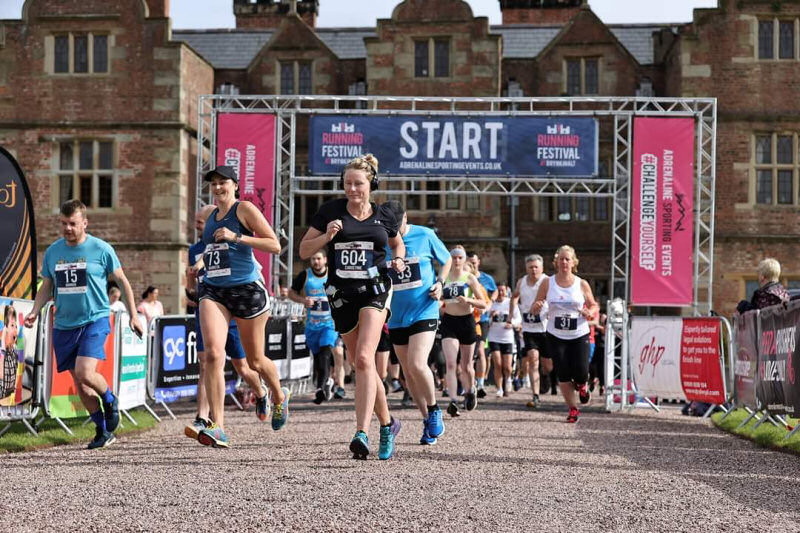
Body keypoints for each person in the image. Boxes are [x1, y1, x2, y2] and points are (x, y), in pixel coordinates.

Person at [299, 154, 405, 460]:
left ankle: (362, 432)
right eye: (347, 183)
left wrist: (397, 258)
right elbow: (305, 250)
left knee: (362, 356)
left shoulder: (384, 214)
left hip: (375, 290)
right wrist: (326, 235)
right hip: (341, 295)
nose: (352, 189)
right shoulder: (330, 211)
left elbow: (397, 243)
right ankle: (388, 423)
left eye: (358, 183)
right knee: (363, 366)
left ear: (371, 184)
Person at [23, 199, 144, 449]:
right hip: (64, 324)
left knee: (85, 372)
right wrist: (35, 310)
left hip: (95, 319)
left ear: (85, 223)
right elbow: (47, 286)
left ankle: (110, 399)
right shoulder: (54, 252)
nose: (68, 228)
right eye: (64, 223)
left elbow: (123, 281)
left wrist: (133, 315)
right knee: (80, 384)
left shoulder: (101, 249)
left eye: (73, 224)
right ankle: (102, 430)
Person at [196, 165, 290, 448]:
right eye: (213, 183)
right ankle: (218, 426)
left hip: (247, 290)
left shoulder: (244, 209)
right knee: (213, 354)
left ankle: (278, 395)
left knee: (255, 362)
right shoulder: (210, 217)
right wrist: (200, 264)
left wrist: (237, 237)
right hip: (214, 290)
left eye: (223, 182)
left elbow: (274, 245)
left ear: (235, 185)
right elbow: (213, 251)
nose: (217, 188)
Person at [184, 204, 271, 440]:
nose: (200, 226)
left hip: (237, 309)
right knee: (209, 360)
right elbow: (191, 292)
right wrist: (191, 282)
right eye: (198, 223)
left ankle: (261, 393)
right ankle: (205, 418)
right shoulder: (194, 250)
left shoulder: (234, 243)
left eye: (202, 222)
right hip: (210, 308)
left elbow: (255, 274)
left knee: (244, 366)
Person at [383, 200, 451, 445]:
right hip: (397, 315)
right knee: (408, 373)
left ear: (405, 218)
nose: (395, 232)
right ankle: (426, 419)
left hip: (425, 309)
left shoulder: (425, 235)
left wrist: (440, 283)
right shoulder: (384, 239)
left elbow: (447, 261)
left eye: (397, 226)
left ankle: (434, 411)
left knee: (416, 362)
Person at [532, 245, 598, 424]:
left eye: (567, 259)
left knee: (581, 371)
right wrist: (537, 307)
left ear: (573, 262)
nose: (564, 262)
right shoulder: (548, 282)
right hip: (556, 334)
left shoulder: (581, 283)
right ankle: (572, 408)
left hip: (579, 333)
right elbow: (535, 306)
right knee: (562, 373)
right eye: (561, 259)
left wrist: (590, 312)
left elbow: (594, 305)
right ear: (556, 262)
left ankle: (583, 385)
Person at [441, 246, 487, 417]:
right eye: (454, 257)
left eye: (460, 257)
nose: (457, 260)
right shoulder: (443, 278)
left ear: (464, 259)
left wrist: (468, 299)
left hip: (467, 322)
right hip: (449, 322)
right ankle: (453, 400)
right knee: (451, 363)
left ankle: (471, 389)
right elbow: (437, 297)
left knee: (466, 366)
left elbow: (484, 303)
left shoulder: (469, 278)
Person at [288, 250, 340, 404]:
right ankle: (327, 382)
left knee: (325, 352)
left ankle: (320, 388)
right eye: (313, 259)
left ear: (325, 259)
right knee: (318, 358)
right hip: (312, 325)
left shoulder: (333, 275)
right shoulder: (305, 275)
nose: (316, 262)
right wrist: (303, 300)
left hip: (329, 324)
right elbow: (291, 293)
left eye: (318, 258)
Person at [509, 254, 551, 409]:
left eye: (536, 267)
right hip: (529, 328)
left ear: (542, 268)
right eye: (530, 267)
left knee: (548, 365)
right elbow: (514, 297)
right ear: (526, 268)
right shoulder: (522, 282)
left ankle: (545, 375)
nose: (533, 270)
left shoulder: (547, 281)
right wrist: (511, 315)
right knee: (533, 359)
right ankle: (536, 396)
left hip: (546, 328)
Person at [467, 251, 497, 399]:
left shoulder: (486, 278)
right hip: (466, 319)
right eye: (470, 262)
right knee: (468, 353)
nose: (472, 264)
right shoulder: (463, 278)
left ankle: (480, 383)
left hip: (482, 320)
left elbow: (495, 291)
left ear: (478, 262)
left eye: (474, 262)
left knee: (480, 350)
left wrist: (489, 303)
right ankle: (468, 383)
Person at [487, 284, 522, 397]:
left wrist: (511, 323)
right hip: (494, 337)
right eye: (499, 290)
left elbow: (518, 318)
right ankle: (499, 388)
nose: (501, 293)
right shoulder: (492, 304)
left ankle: (508, 380)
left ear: (507, 291)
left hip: (507, 337)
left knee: (507, 366)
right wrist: (491, 317)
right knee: (497, 364)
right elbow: (485, 319)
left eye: (503, 290)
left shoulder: (510, 303)